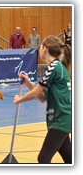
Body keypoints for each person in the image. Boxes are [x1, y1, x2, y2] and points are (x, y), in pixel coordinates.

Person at [13, 35, 71, 164]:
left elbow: (35, 94)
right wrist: (28, 83)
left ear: (45, 48)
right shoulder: (56, 67)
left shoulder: (54, 66)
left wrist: (19, 100)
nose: (39, 50)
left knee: (43, 158)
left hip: (61, 119)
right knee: (70, 159)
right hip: (60, 119)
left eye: (40, 47)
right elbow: (42, 97)